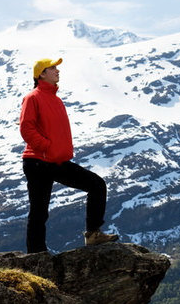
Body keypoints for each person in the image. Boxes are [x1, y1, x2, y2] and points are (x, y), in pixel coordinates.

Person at [19, 57, 118, 253]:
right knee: (39, 211)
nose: (57, 71)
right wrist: (45, 146)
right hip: (38, 162)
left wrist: (55, 150)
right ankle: (36, 254)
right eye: (52, 68)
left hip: (56, 161)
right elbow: (26, 128)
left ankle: (93, 235)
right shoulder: (32, 97)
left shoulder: (55, 99)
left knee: (97, 185)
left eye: (57, 68)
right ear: (41, 74)